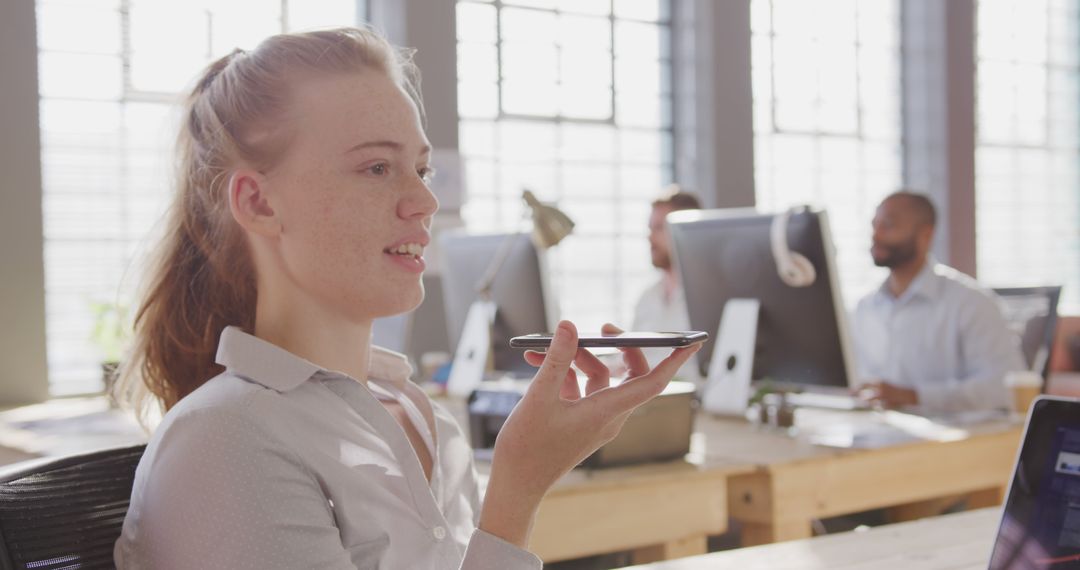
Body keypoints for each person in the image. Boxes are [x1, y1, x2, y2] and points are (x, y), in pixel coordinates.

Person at [112, 27, 699, 569]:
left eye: (421, 169)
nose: (423, 201)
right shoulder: (224, 441)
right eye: (375, 167)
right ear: (260, 204)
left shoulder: (427, 421)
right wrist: (518, 489)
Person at [852, 190, 1024, 415]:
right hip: (880, 434)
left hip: (952, 440)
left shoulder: (972, 303)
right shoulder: (865, 308)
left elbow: (1003, 388)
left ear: (925, 235)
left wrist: (914, 396)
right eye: (874, 225)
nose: (876, 235)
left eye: (888, 225)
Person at [631, 186, 702, 379]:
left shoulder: (708, 297)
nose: (650, 237)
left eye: (660, 228)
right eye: (650, 228)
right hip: (647, 400)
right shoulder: (648, 297)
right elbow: (632, 357)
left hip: (690, 401)